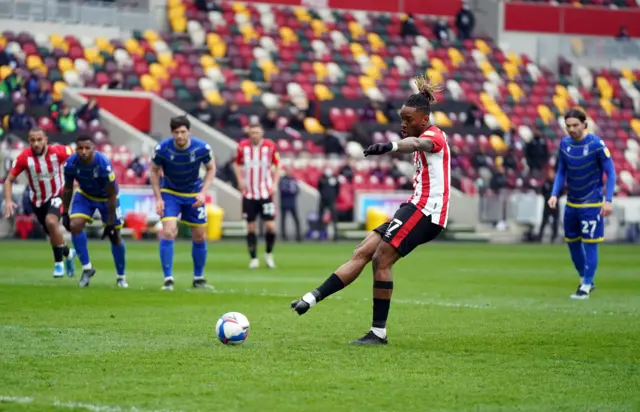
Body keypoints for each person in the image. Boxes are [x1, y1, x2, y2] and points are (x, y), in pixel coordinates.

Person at [290, 76, 451, 345]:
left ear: (424, 120)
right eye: (402, 118)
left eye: (409, 119)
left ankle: (378, 333)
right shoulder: (421, 131)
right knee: (363, 251)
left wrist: (391, 146)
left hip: (428, 210)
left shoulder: (433, 135)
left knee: (381, 259)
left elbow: (418, 144)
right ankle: (310, 299)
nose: (404, 124)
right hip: (415, 206)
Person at [548, 109, 616, 300]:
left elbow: (611, 173)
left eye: (575, 125)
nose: (572, 129)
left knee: (590, 245)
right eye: (568, 126)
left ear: (584, 124)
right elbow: (561, 171)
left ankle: (585, 285)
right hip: (571, 203)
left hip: (592, 204)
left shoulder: (597, 145)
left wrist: (608, 200)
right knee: (572, 245)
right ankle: (585, 278)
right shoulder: (565, 144)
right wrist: (554, 194)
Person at [149, 115, 216, 291]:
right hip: (170, 193)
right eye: (176, 132)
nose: (180, 136)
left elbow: (211, 169)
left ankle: (198, 278)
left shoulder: (202, 148)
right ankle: (168, 279)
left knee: (200, 235)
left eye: (183, 132)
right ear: (171, 133)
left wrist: (203, 192)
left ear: (189, 131)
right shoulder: (162, 149)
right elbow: (153, 170)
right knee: (169, 231)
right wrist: (158, 198)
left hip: (194, 194)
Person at [3, 128, 76, 277]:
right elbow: (8, 180)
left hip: (57, 195)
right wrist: (9, 201)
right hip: (37, 201)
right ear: (29, 141)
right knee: (52, 233)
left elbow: (75, 155)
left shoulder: (59, 152)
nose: (36, 143)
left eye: (39, 140)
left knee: (51, 222)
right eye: (33, 140)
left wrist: (75, 179)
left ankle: (58, 265)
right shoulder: (24, 158)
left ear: (46, 140)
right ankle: (68, 254)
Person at [61, 135, 127, 288]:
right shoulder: (71, 164)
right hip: (85, 195)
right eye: (80, 148)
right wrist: (64, 212)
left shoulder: (103, 165)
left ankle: (121, 276)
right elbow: (68, 187)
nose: (83, 152)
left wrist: (109, 223)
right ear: (76, 149)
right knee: (75, 225)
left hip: (107, 199)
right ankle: (87, 268)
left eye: (87, 148)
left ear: (93, 149)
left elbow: (111, 194)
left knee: (115, 236)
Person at [234, 124, 280, 269]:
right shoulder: (242, 147)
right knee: (251, 227)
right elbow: (236, 164)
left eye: (257, 132)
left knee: (270, 226)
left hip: (265, 193)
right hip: (249, 194)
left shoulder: (270, 146)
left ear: (262, 133)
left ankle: (268, 254)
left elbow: (278, 165)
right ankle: (253, 258)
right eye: (252, 132)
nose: (254, 135)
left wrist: (275, 184)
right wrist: (240, 180)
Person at [279, 169, 301, 241]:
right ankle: (283, 236)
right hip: (284, 202)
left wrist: (291, 191)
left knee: (296, 219)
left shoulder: (294, 179)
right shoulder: (282, 180)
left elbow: (297, 190)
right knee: (283, 220)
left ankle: (298, 235)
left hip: (292, 202)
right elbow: (283, 190)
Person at [538, 169, 559, 243]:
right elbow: (542, 191)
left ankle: (554, 236)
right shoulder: (546, 183)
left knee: (555, 221)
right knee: (544, 221)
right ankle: (540, 236)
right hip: (547, 204)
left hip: (555, 205)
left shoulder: (556, 184)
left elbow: (561, 192)